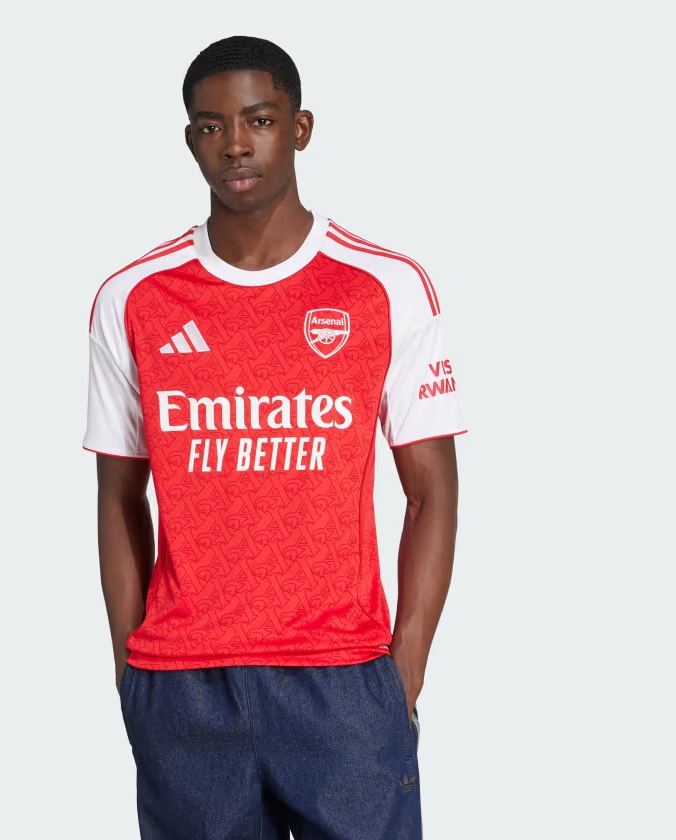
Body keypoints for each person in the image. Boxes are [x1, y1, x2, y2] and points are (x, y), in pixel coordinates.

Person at [83, 34, 465, 840]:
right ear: (191, 140)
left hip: (344, 687)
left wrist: (403, 675)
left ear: (300, 127)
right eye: (211, 126)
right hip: (184, 692)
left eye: (258, 119)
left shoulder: (385, 286)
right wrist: (131, 670)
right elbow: (118, 496)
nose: (235, 144)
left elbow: (431, 493)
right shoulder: (135, 297)